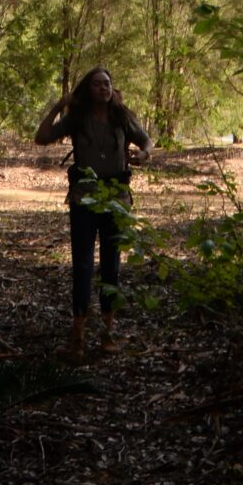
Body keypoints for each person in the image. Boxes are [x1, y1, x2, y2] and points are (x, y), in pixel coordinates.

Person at [33, 66, 151, 361]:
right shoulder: (77, 118)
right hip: (84, 196)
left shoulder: (122, 116)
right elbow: (42, 136)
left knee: (112, 264)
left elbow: (147, 140)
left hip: (116, 197)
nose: (103, 88)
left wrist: (144, 155)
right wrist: (58, 106)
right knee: (83, 264)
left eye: (107, 83)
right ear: (87, 89)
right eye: (97, 84)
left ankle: (108, 333)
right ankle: (78, 337)